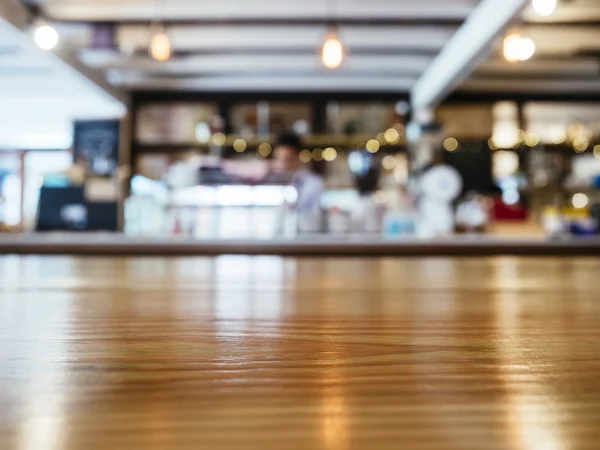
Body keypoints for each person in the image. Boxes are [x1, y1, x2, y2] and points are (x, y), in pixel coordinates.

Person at [272, 132, 324, 212]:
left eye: (288, 160)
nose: (282, 165)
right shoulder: (270, 183)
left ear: (298, 157)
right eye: (278, 159)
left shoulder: (313, 183)